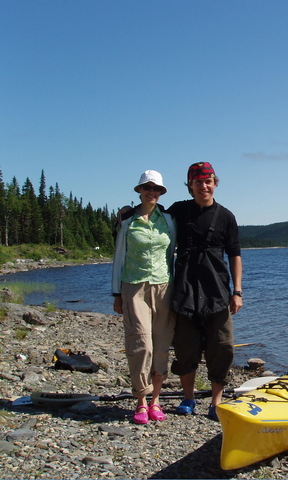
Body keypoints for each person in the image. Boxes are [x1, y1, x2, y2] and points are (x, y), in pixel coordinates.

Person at [167, 161, 243, 420]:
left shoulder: (226, 216)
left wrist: (238, 291)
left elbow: (234, 255)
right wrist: (127, 211)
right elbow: (152, 217)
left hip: (217, 292)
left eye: (208, 181)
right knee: (186, 348)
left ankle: (216, 401)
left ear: (215, 184)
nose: (204, 186)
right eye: (198, 182)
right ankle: (188, 398)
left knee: (222, 347)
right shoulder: (178, 211)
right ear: (190, 185)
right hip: (184, 291)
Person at [112, 170, 177, 425]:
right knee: (141, 345)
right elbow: (118, 257)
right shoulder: (127, 220)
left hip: (164, 287)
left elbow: (171, 253)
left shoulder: (169, 220)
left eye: (157, 189)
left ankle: (156, 400)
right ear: (139, 190)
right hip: (133, 286)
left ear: (161, 193)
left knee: (161, 345)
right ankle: (141, 400)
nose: (152, 192)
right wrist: (116, 293)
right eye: (147, 188)